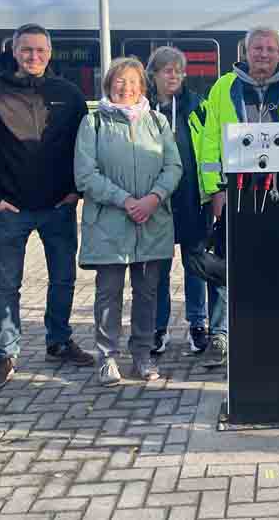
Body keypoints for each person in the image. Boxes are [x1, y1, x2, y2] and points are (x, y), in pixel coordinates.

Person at [0, 23, 92, 390]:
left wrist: (74, 192)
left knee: (63, 279)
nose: (34, 56)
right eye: (27, 50)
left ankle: (59, 341)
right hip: (11, 209)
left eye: (40, 50)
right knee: (7, 285)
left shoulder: (68, 95)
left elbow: (83, 148)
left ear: (49, 53)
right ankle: (6, 353)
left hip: (59, 206)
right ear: (15, 51)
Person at [197, 25, 279, 367]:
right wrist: (214, 189)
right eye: (257, 48)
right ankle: (220, 334)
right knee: (227, 265)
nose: (263, 54)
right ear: (245, 52)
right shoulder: (223, 87)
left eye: (269, 49)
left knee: (278, 263)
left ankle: (275, 329)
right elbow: (210, 141)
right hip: (234, 192)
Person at [74, 57, 182, 384]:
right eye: (120, 82)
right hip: (109, 225)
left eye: (133, 82)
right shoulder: (92, 124)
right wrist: (126, 201)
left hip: (152, 222)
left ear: (142, 87)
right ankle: (107, 357)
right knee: (108, 294)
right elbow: (85, 174)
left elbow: (173, 167)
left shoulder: (158, 123)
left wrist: (153, 199)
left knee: (147, 293)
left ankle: (142, 356)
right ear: (109, 85)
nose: (126, 87)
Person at [146, 46, 223, 357]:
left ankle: (197, 325)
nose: (174, 75)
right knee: (158, 269)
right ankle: (158, 327)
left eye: (179, 69)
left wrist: (215, 190)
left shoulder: (197, 106)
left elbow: (211, 150)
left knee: (195, 266)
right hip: (157, 202)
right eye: (167, 70)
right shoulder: (144, 108)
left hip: (193, 199)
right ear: (153, 75)